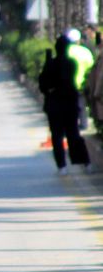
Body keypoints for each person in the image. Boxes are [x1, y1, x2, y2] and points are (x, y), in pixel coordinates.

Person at [39, 35, 91, 174]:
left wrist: (48, 65)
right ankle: (84, 162)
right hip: (70, 104)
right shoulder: (72, 63)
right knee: (73, 134)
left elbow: (43, 84)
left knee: (57, 136)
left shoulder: (52, 64)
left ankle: (62, 165)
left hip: (55, 105)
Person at [64, 28, 94, 130]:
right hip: (81, 83)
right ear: (79, 40)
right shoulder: (85, 52)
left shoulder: (65, 52)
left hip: (67, 84)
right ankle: (84, 124)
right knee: (81, 104)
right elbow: (91, 67)